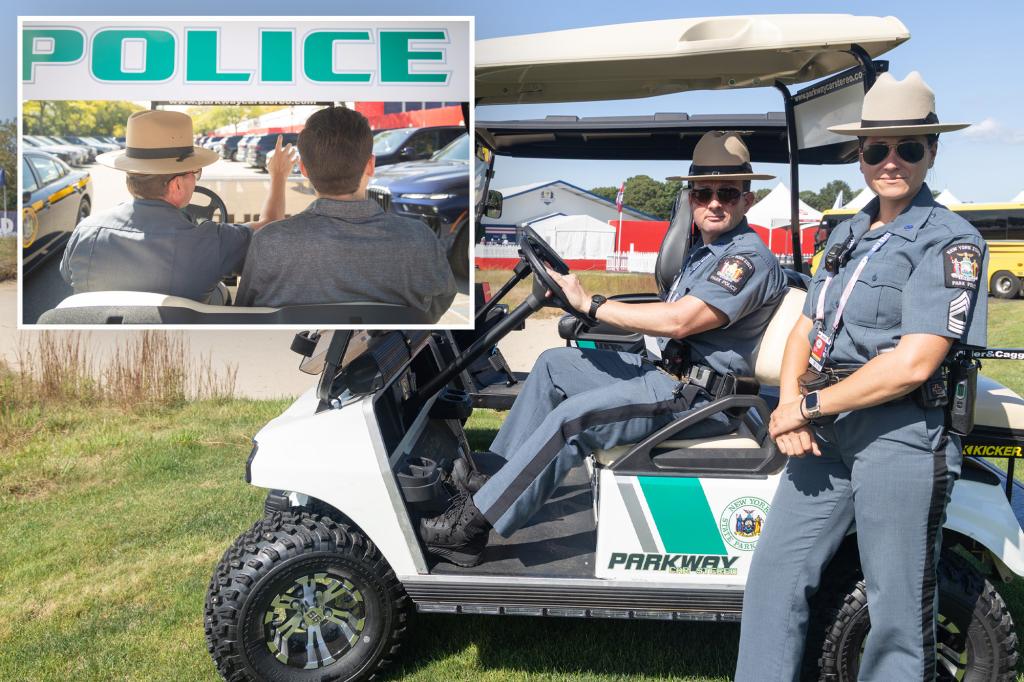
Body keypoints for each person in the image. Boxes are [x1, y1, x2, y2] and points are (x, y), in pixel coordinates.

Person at [420, 131, 789, 567]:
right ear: (690, 197)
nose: (713, 202)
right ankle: (496, 479)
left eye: (727, 193)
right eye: (702, 192)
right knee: (555, 365)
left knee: (574, 421)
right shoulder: (705, 252)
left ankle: (470, 529)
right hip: (668, 377)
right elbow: (670, 314)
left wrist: (591, 303)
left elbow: (680, 320)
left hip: (700, 400)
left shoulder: (745, 260)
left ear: (748, 200)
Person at [735, 72, 986, 681]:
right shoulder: (845, 233)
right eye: (877, 148)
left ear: (933, 151)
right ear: (859, 155)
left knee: (896, 610)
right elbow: (804, 328)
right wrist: (791, 401)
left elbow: (914, 363)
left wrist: (808, 406)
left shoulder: (951, 240)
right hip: (824, 431)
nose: (891, 161)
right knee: (772, 582)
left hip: (900, 433)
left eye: (909, 147)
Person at [233, 106, 456, 321]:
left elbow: (246, 312)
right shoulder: (420, 239)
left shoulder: (270, 241)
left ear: (304, 170)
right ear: (370, 166)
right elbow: (437, 303)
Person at [60, 110, 295, 303]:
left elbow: (67, 276)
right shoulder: (212, 242)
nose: (196, 179)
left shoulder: (85, 231)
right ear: (177, 186)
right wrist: (278, 175)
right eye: (195, 172)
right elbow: (270, 229)